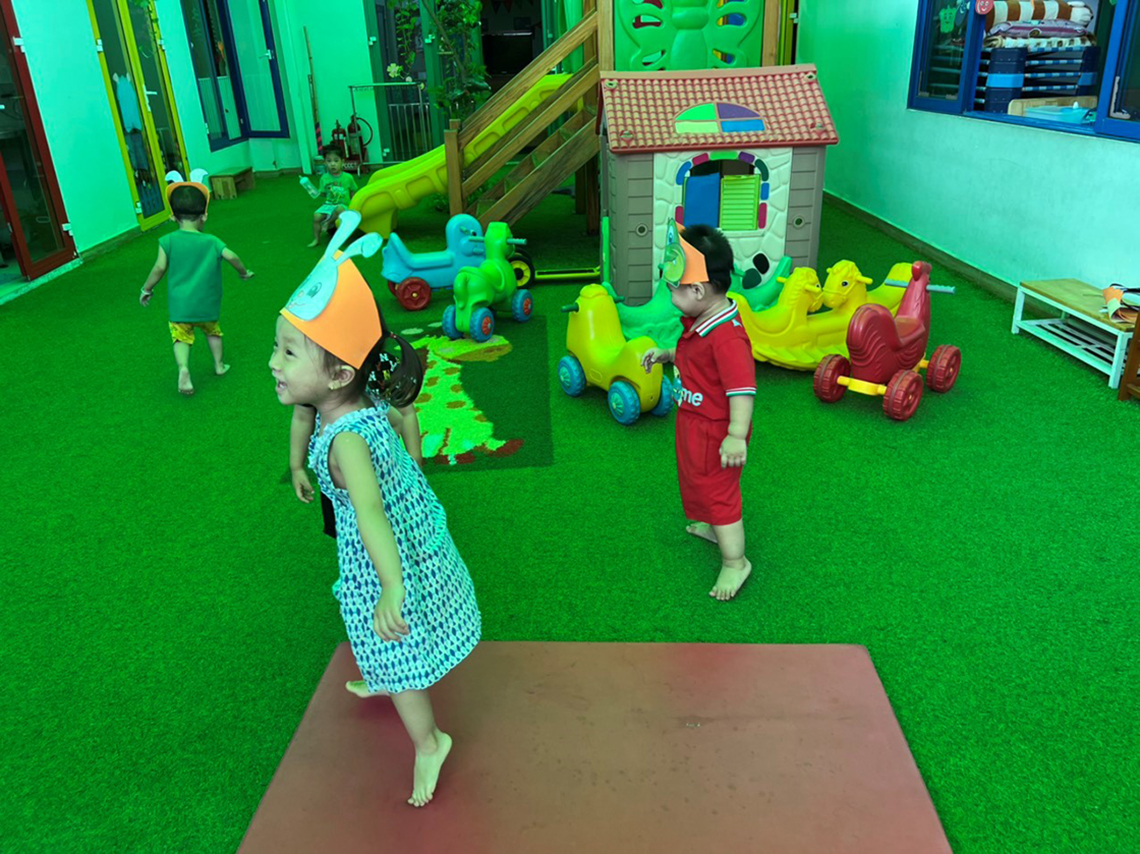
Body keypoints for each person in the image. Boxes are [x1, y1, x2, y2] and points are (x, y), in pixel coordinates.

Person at [270, 212, 480, 807]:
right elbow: (399, 440)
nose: (274, 363)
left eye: (289, 352)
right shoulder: (360, 408)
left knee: (394, 641)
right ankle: (383, 673)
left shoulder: (345, 442)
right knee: (378, 637)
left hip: (386, 555)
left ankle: (430, 742)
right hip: (406, 538)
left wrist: (391, 586)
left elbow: (369, 513)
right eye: (277, 347)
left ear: (339, 372)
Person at [642, 224, 756, 601]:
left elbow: (742, 390)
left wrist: (736, 435)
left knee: (720, 492)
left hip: (717, 431)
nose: (669, 293)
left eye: (672, 289)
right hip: (693, 421)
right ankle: (712, 524)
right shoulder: (701, 320)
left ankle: (736, 562)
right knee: (696, 479)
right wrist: (667, 354)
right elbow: (695, 359)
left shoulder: (727, 337)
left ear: (697, 291)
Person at [140, 172, 253, 395]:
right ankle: (219, 365)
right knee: (213, 333)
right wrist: (243, 271)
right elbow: (231, 256)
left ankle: (183, 368)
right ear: (204, 216)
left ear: (173, 217)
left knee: (181, 337)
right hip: (206, 305)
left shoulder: (167, 241)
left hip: (180, 306)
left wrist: (147, 288)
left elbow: (159, 268)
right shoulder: (212, 241)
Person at [308, 147, 358, 248]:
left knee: (339, 209)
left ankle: (328, 223)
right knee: (316, 216)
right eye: (329, 161)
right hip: (329, 204)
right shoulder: (324, 178)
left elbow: (353, 191)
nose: (332, 164)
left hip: (342, 205)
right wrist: (313, 191)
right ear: (325, 162)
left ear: (342, 162)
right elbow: (323, 193)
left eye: (336, 161)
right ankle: (316, 239)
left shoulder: (348, 177)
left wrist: (353, 206)